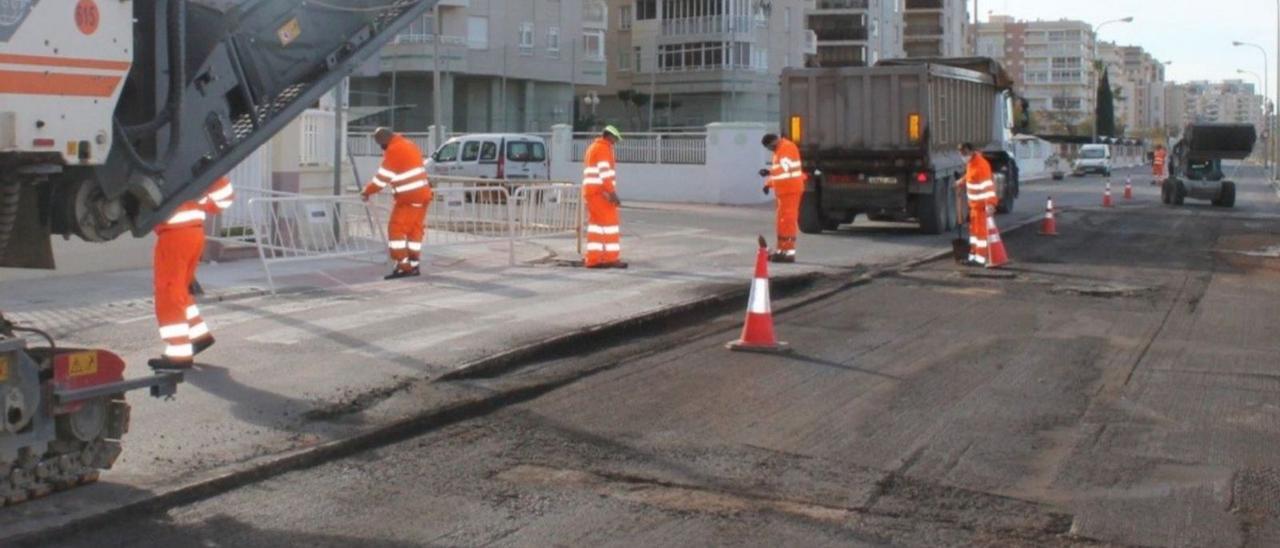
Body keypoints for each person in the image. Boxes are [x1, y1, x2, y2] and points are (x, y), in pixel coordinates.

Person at [149, 176, 234, 370]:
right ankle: (198, 336)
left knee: (169, 293)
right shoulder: (193, 162)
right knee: (180, 291)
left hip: (175, 235)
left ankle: (179, 355)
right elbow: (224, 197)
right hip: (193, 233)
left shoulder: (161, 162)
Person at [362, 127, 434, 279]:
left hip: (408, 198)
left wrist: (367, 191)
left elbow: (382, 178)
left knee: (396, 230)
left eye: (380, 144)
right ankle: (414, 265)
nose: (381, 148)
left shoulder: (394, 150)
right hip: (423, 196)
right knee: (414, 231)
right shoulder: (409, 144)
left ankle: (404, 267)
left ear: (384, 141)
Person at [582, 125, 626, 269]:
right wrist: (612, 193)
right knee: (610, 226)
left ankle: (593, 259)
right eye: (615, 139)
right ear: (608, 136)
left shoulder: (593, 147)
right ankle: (610, 258)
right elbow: (605, 173)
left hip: (592, 193)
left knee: (596, 227)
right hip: (601, 194)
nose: (615, 142)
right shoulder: (603, 148)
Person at [759, 134, 805, 263]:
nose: (770, 150)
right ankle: (782, 250)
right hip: (785, 191)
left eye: (769, 148)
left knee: (788, 221)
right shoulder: (779, 150)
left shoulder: (787, 147)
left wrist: (769, 173)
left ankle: (788, 252)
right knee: (782, 221)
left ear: (773, 142)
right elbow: (779, 172)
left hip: (791, 190)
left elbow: (785, 169)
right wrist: (768, 184)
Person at [955, 143, 998, 268]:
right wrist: (961, 181)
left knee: (980, 234)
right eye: (961, 154)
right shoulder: (971, 164)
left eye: (965, 153)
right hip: (974, 207)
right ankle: (973, 256)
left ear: (972, 151)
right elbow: (970, 177)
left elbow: (988, 187)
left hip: (981, 207)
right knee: (974, 234)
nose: (963, 156)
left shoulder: (981, 165)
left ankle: (980, 259)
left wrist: (990, 203)